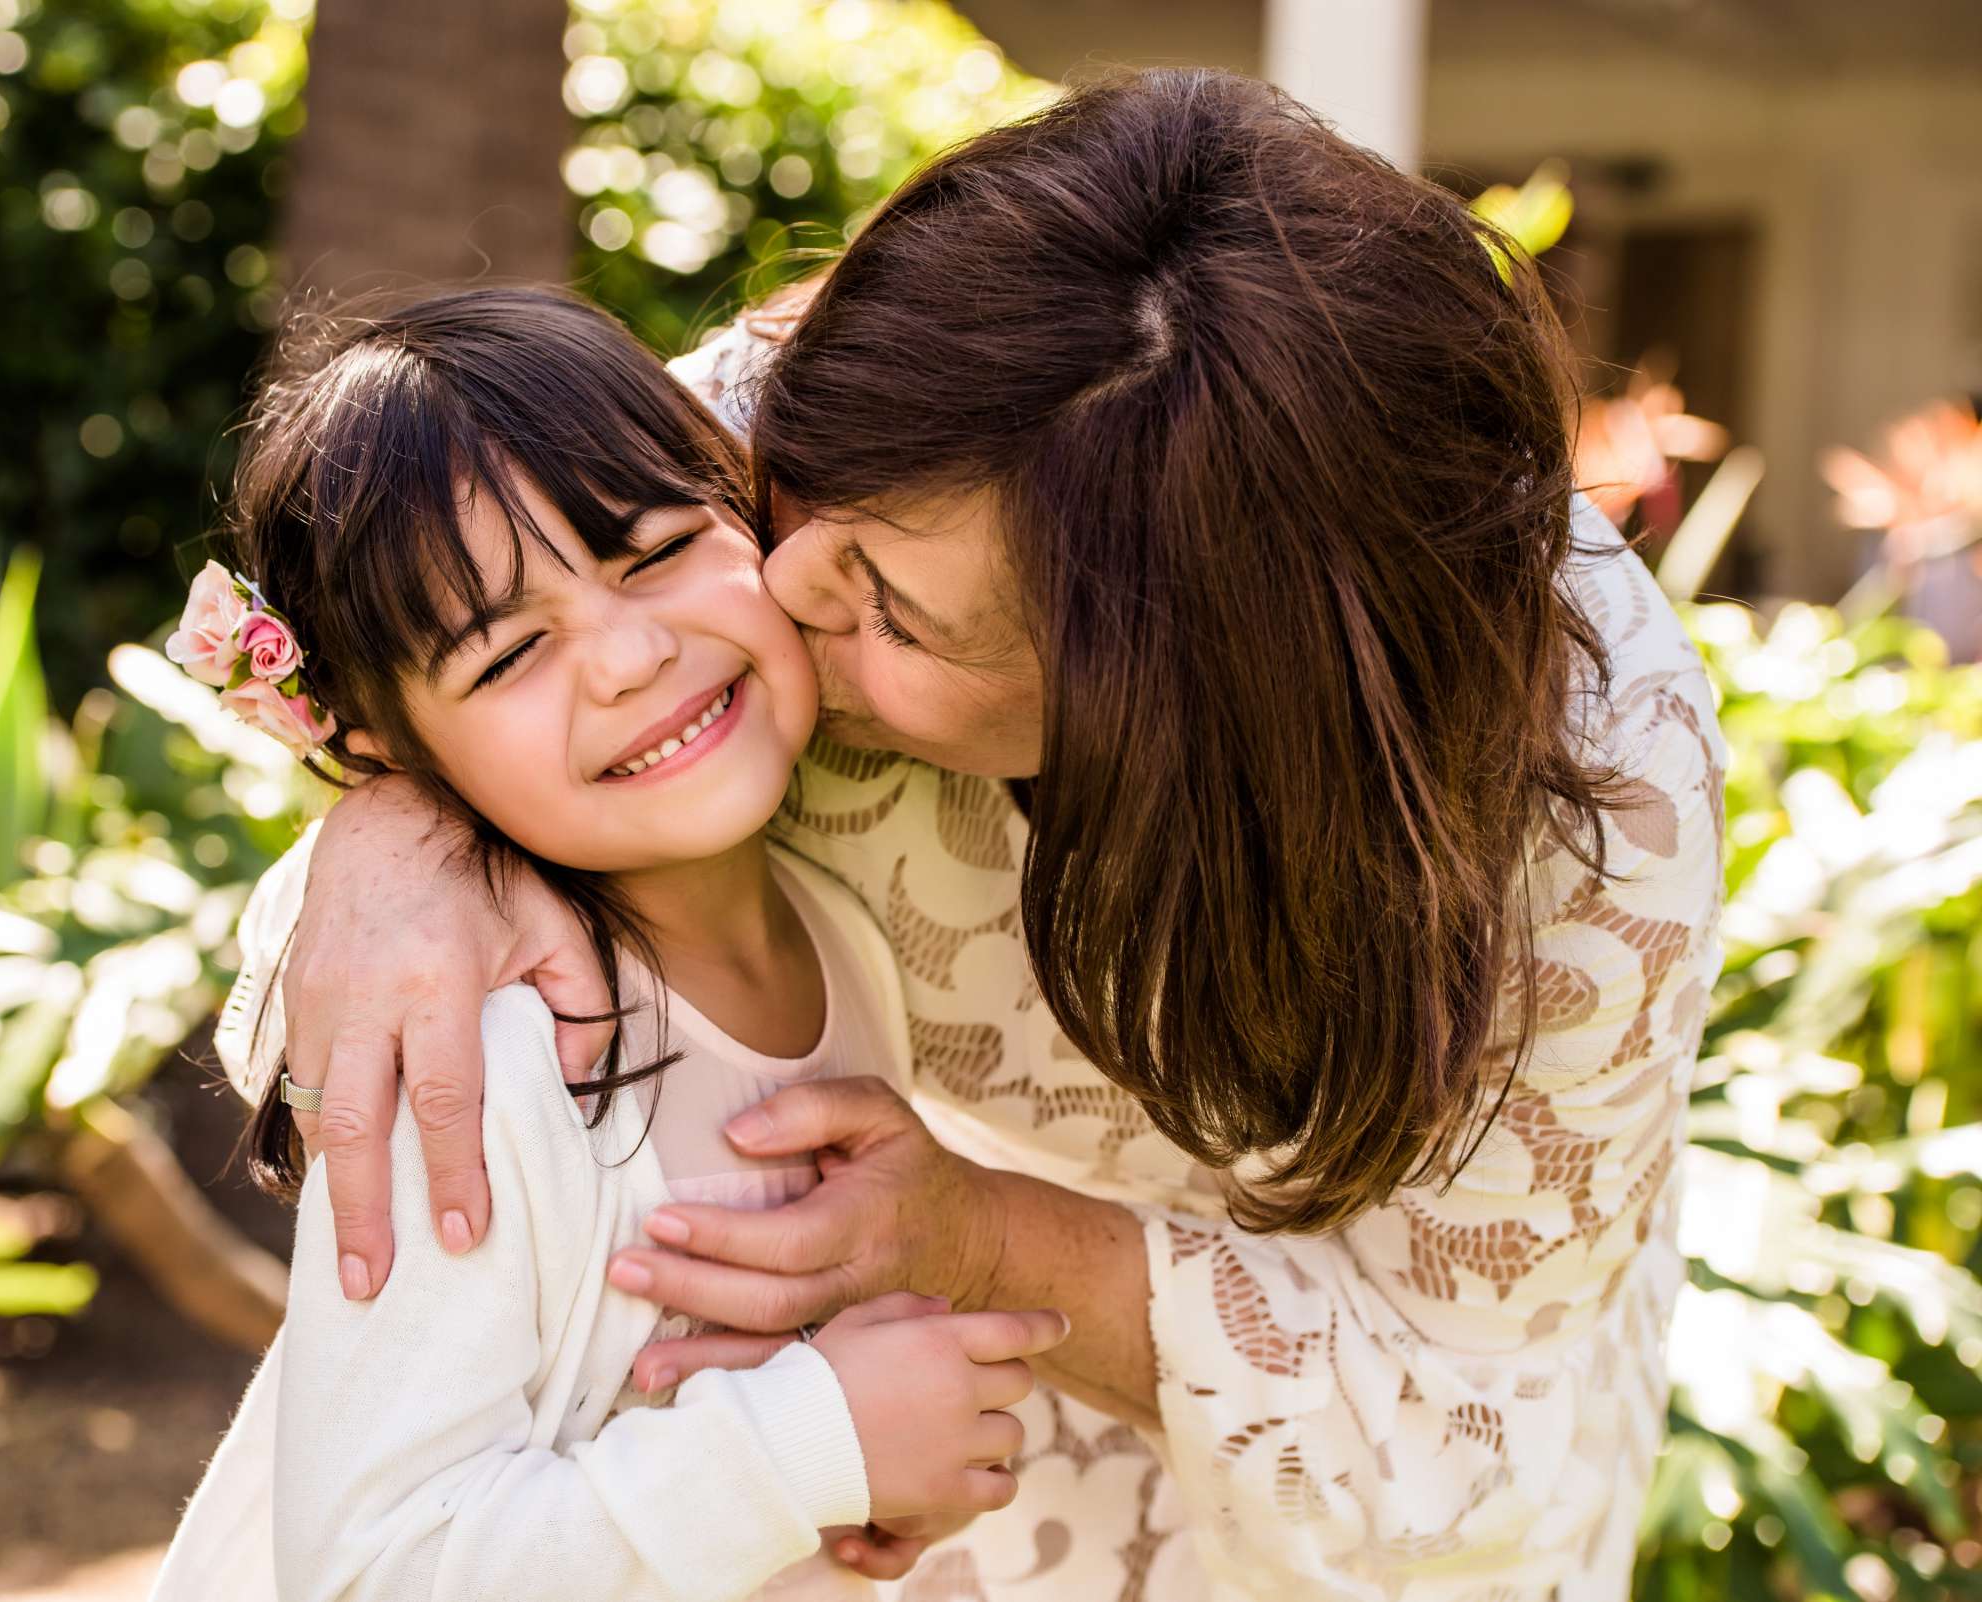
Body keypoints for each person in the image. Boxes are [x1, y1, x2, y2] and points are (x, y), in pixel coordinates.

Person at [262, 69, 1728, 1598]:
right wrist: (395, 836)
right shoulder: (786, 461)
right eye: (795, 493)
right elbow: (452, 636)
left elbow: (1453, 1419)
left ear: (1161, 710)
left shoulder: (1594, 798)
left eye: (895, 614)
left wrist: (978, 1246)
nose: (786, 585)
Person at [147, 288, 1071, 1602]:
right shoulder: (485, 1061)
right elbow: (372, 1570)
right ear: (379, 751)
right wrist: (807, 1443)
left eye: (654, 552)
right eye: (512, 651)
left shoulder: (844, 936)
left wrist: (857, 1460)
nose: (635, 654)